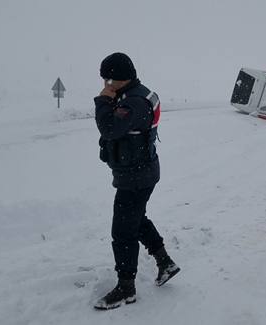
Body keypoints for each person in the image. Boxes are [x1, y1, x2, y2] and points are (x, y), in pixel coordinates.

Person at [94, 52, 180, 310]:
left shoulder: (133, 103)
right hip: (141, 173)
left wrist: (102, 100)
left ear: (119, 78)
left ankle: (126, 288)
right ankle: (165, 262)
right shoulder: (138, 94)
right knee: (135, 218)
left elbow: (109, 128)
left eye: (109, 80)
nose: (106, 85)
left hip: (136, 177)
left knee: (122, 232)